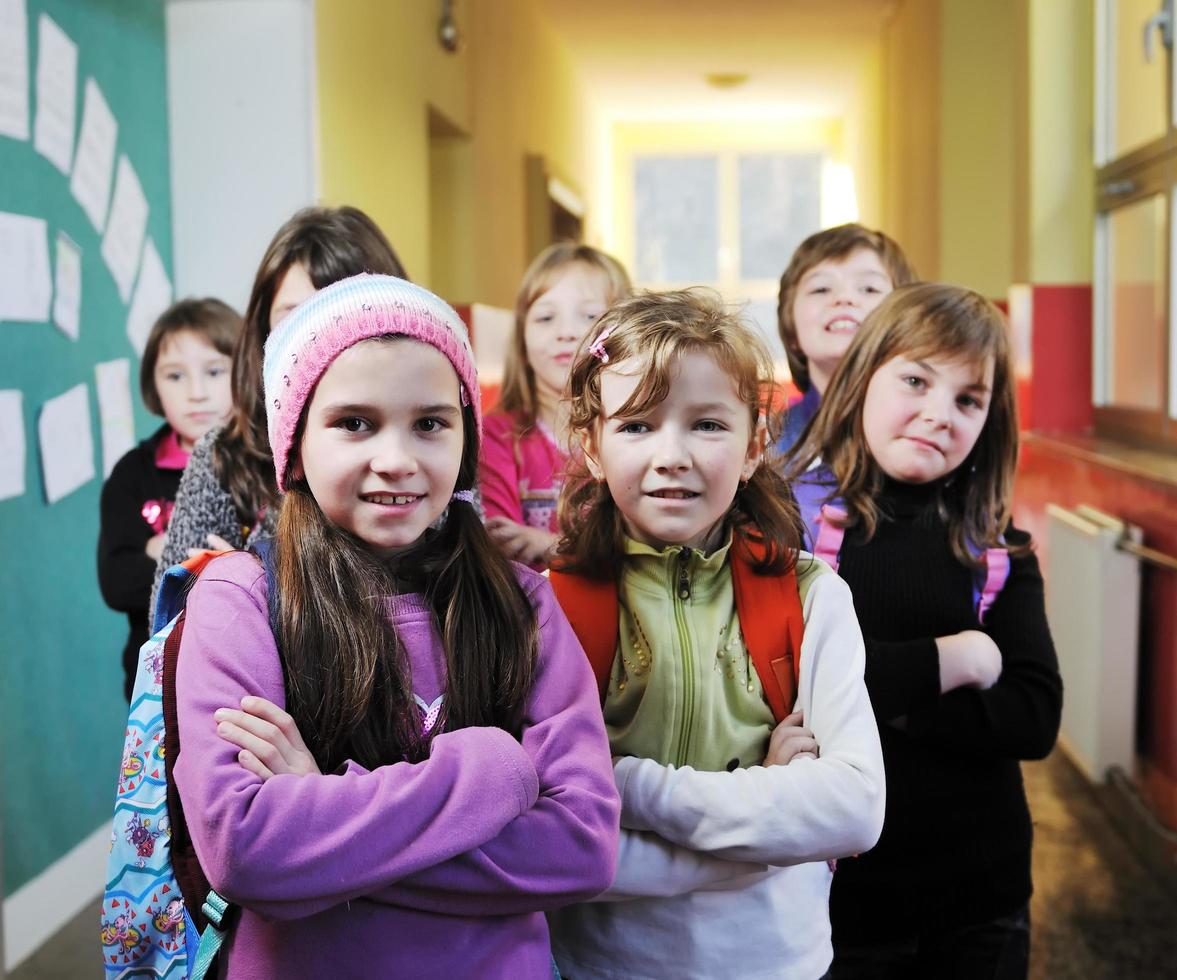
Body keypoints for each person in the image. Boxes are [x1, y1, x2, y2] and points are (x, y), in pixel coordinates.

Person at [174, 274, 620, 977]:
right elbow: (244, 851)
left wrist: (322, 813)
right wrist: (491, 772)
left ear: (465, 436)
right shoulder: (241, 599)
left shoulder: (523, 605)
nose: (397, 459)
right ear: (294, 441)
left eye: (431, 423)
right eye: (353, 422)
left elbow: (583, 847)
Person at [546, 289, 885, 980]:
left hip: (774, 961)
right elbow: (545, 839)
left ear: (755, 442)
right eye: (637, 425)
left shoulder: (812, 596)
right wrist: (764, 821)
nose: (672, 455)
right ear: (590, 445)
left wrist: (626, 784)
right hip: (600, 965)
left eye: (706, 424)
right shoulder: (546, 609)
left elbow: (853, 809)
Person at [783, 283, 1063, 979]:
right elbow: (789, 683)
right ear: (860, 379)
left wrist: (872, 690)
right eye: (915, 380)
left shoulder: (998, 548)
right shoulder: (795, 531)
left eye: (968, 399)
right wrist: (954, 659)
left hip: (980, 898)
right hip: (836, 900)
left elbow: (1032, 717)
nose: (939, 414)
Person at [150, 206, 406, 612]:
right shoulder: (223, 454)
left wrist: (249, 571)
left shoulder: (421, 447)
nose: (319, 338)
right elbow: (170, 625)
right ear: (264, 331)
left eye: (343, 314)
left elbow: (453, 596)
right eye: (296, 316)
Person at [98, 298, 241, 700]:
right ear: (154, 387)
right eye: (175, 376)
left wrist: (163, 551)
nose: (196, 393)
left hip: (243, 672)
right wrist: (210, 561)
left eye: (214, 372)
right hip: (158, 679)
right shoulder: (133, 473)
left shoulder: (261, 465)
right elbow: (117, 584)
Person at [481, 243, 630, 568]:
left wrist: (550, 546)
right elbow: (501, 543)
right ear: (522, 341)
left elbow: (640, 549)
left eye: (590, 316)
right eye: (546, 317)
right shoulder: (496, 436)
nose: (565, 332)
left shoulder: (634, 435)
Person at [775, 223, 915, 452]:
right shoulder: (763, 446)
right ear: (791, 331)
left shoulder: (924, 435)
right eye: (820, 289)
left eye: (869, 289)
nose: (844, 298)